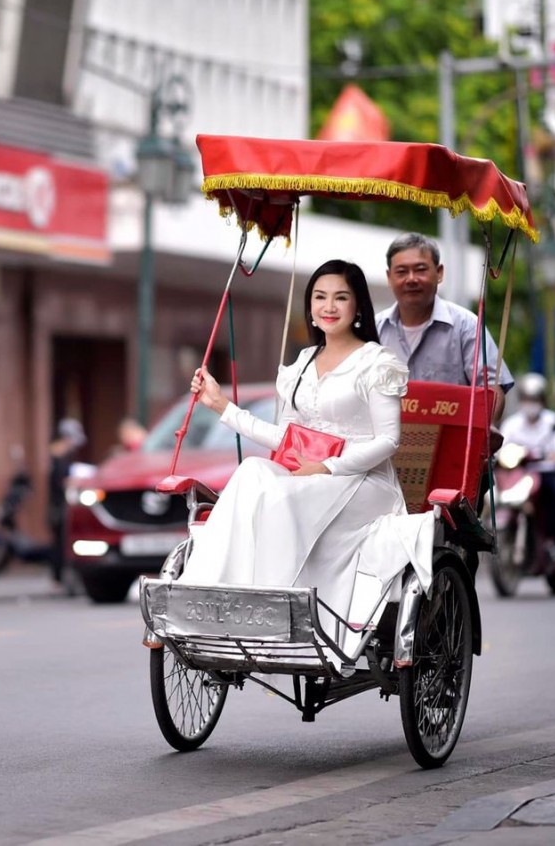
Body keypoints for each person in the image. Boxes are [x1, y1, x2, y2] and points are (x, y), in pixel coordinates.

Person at [183, 260, 435, 638]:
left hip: (364, 482)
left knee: (285, 497)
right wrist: (221, 406)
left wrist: (328, 467)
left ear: (358, 307)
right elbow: (285, 438)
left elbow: (388, 441)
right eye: (320, 297)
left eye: (340, 298)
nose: (328, 306)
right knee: (252, 472)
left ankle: (281, 614)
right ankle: (210, 597)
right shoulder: (301, 365)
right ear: (310, 305)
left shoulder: (377, 363)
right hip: (307, 476)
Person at [377, 233, 514, 421]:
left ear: (439, 272)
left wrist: (478, 429)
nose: (411, 279)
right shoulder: (374, 329)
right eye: (401, 272)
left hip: (453, 437)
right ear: (389, 277)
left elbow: (492, 391)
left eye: (420, 270)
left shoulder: (466, 326)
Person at [499, 373, 555, 549]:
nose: (530, 404)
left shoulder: (553, 422)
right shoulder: (512, 424)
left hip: (546, 473)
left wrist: (552, 456)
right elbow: (501, 449)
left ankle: (554, 541)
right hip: (519, 474)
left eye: (534, 399)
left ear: (542, 400)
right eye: (527, 399)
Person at [47, 417, 86, 586]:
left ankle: (61, 577)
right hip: (58, 506)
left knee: (62, 543)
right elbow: (59, 483)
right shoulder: (56, 458)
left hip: (61, 505)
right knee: (59, 543)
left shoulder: (63, 458)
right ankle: (58, 578)